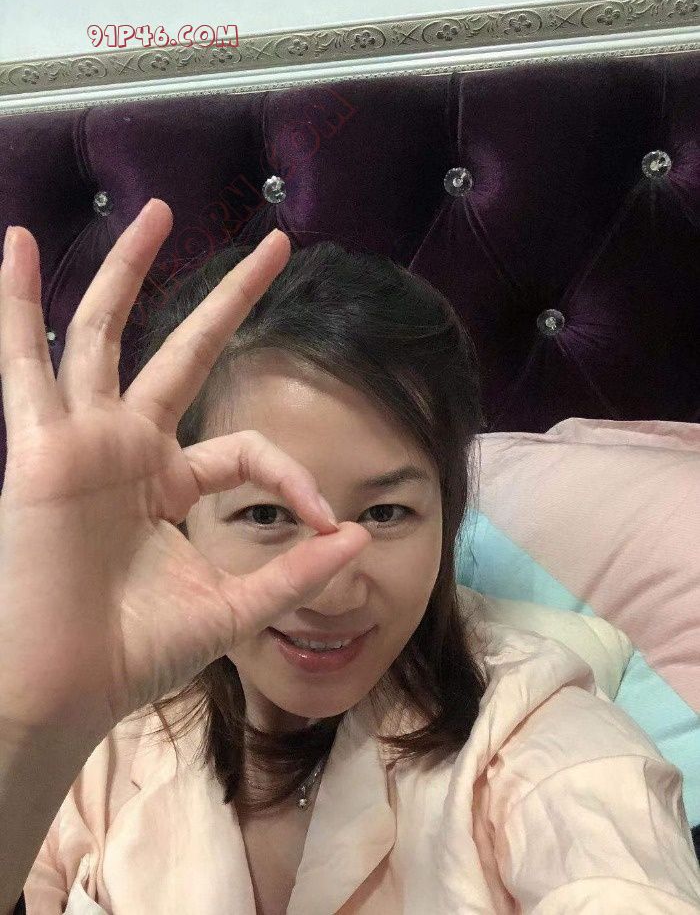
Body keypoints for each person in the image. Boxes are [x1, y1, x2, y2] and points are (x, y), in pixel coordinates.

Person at [0, 199, 698, 915]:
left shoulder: (535, 735)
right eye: (265, 514)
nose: (329, 593)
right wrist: (25, 717)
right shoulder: (97, 735)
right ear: (179, 521)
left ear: (447, 514)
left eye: (385, 513)